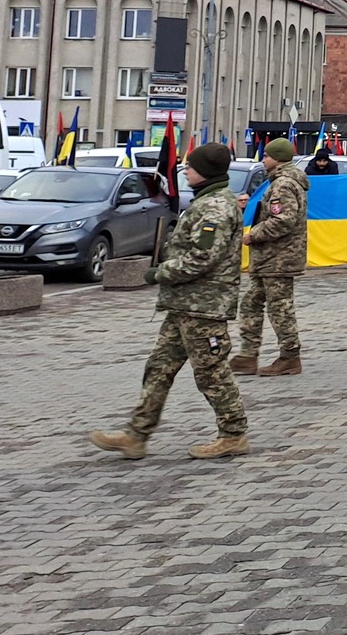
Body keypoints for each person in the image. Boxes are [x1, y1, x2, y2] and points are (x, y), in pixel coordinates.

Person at [90, 142, 249, 461]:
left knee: (211, 372)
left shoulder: (214, 208)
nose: (185, 171)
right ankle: (137, 435)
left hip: (204, 307)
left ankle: (233, 433)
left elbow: (202, 258)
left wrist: (159, 272)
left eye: (190, 166)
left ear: (205, 172)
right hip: (184, 306)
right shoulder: (207, 201)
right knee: (159, 367)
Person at [232, 138, 308, 378]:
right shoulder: (279, 181)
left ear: (278, 158)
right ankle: (247, 355)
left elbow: (284, 219)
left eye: (266, 156)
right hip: (269, 258)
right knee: (251, 303)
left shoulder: (283, 185)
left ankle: (289, 356)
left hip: (279, 258)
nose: (263, 160)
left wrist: (253, 235)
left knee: (280, 308)